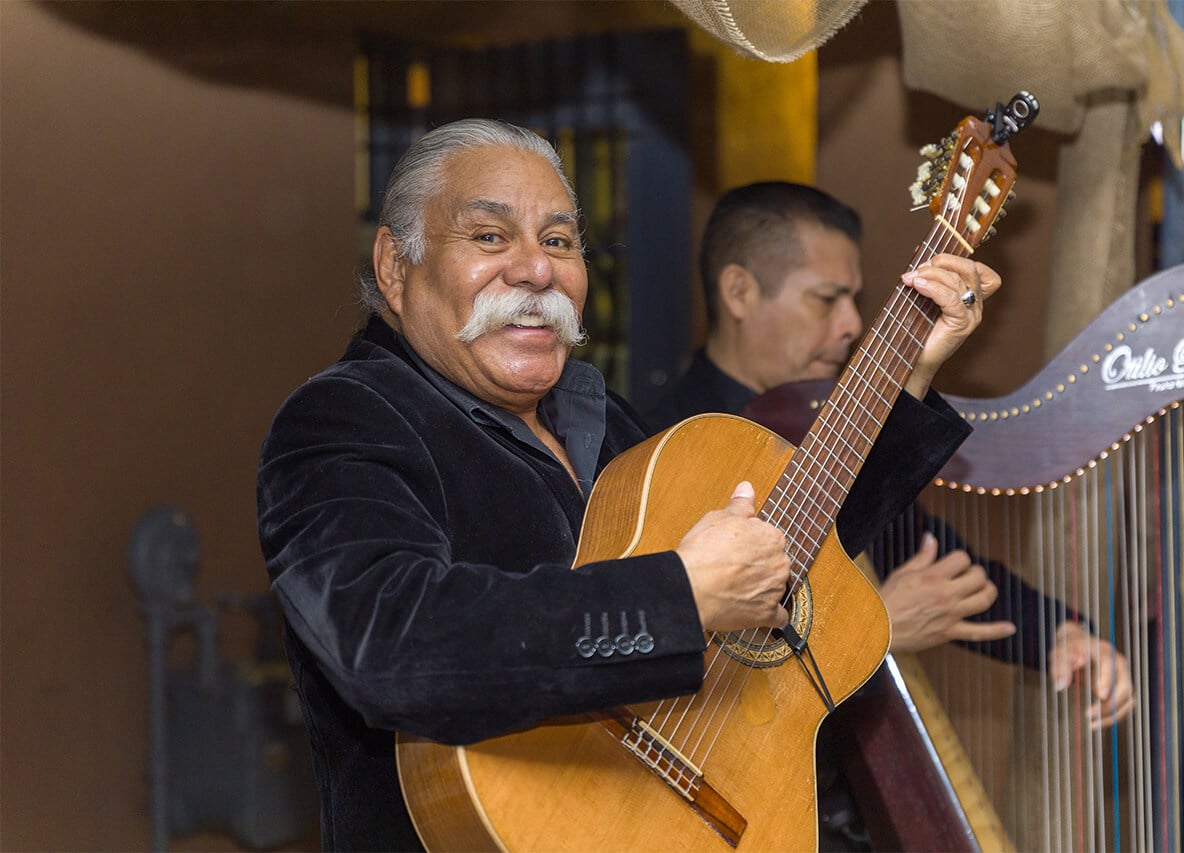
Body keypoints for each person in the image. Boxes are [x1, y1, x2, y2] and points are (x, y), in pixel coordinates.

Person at [256, 121, 1000, 850]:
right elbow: (390, 645)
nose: (535, 269)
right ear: (395, 265)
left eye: (557, 239)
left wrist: (908, 379)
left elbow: (790, 553)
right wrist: (680, 595)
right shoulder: (346, 417)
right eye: (490, 237)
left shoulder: (601, 417)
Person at [643, 181, 1135, 847]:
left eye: (854, 297)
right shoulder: (657, 446)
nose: (852, 323)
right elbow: (661, 649)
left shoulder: (828, 429)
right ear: (739, 292)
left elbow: (929, 553)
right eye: (827, 298)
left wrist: (1061, 633)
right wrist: (876, 630)